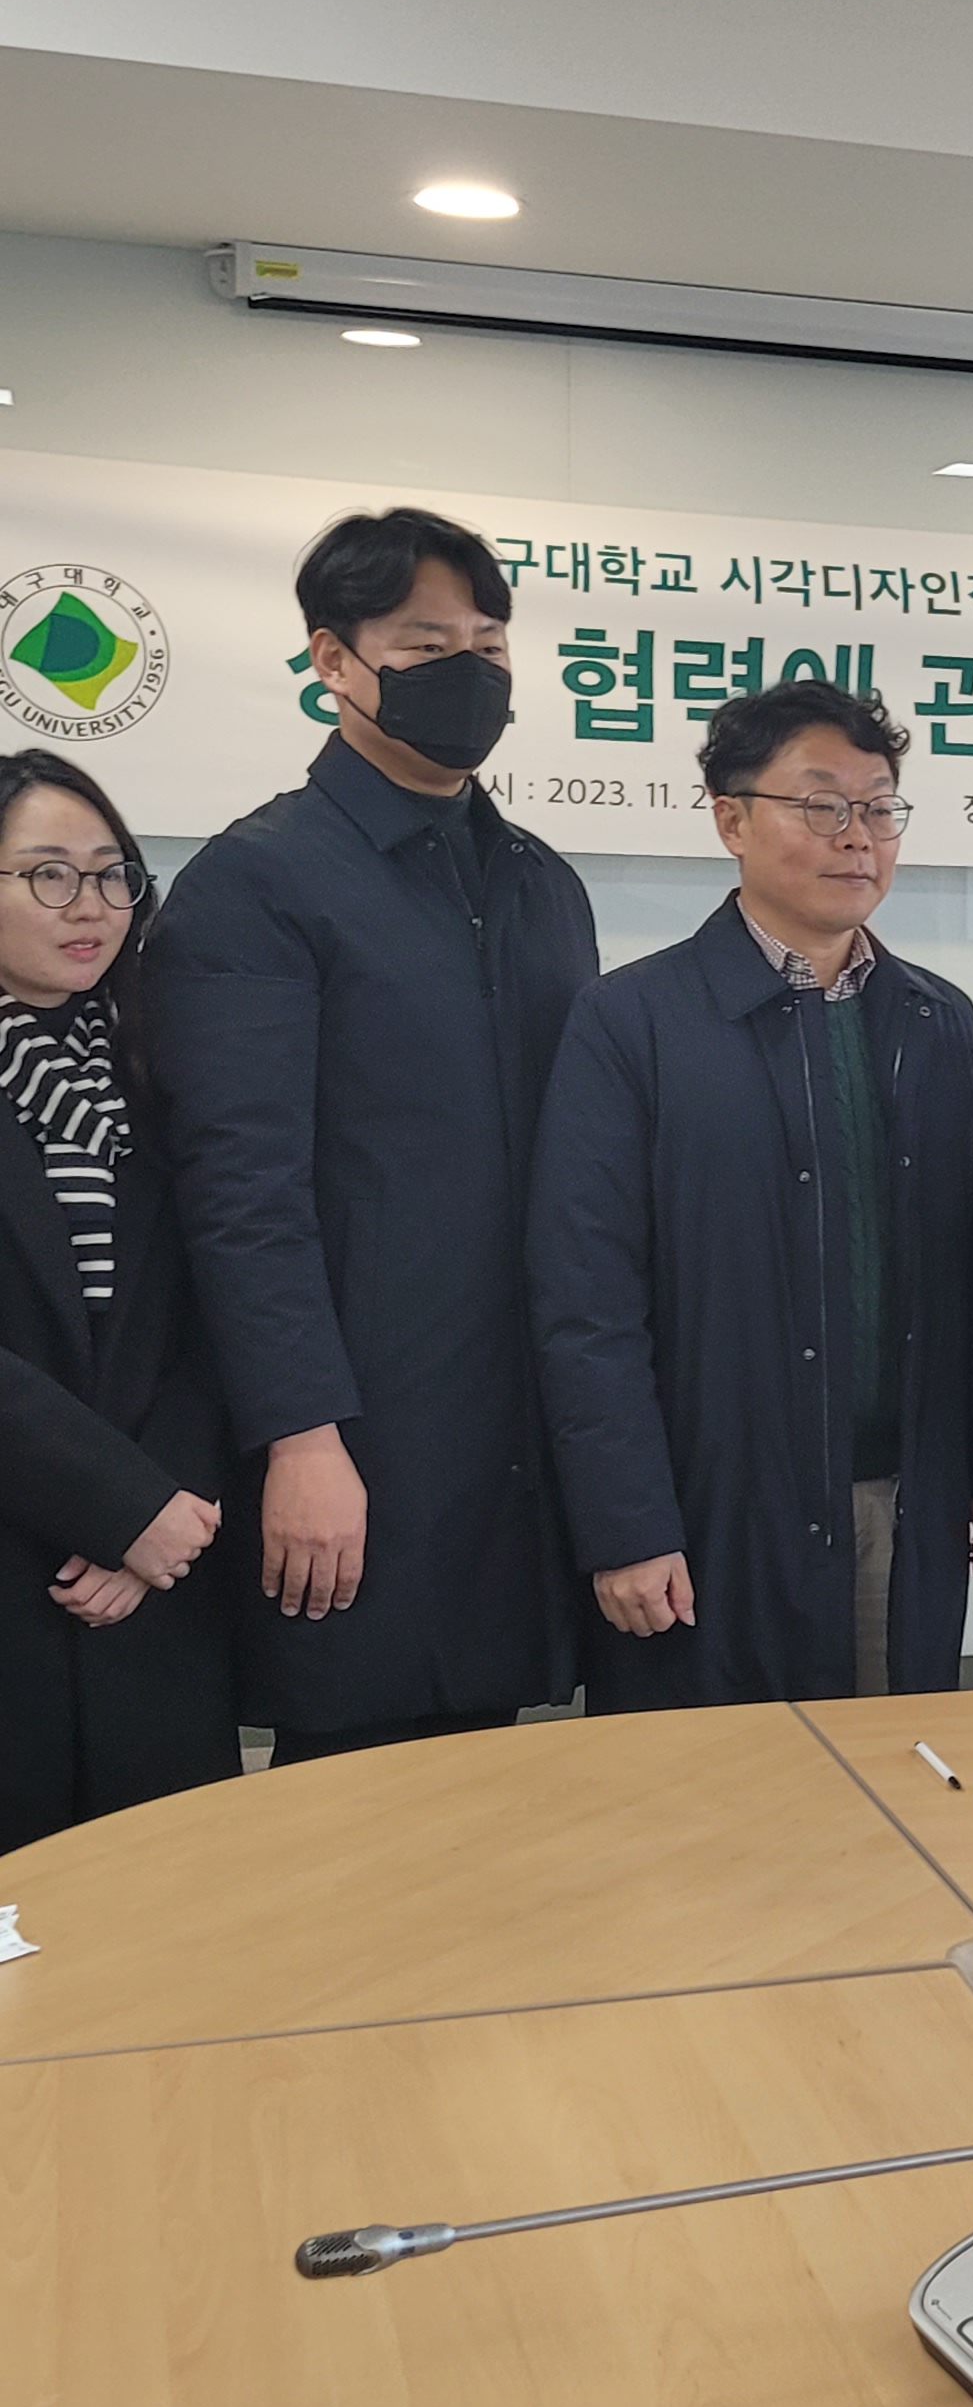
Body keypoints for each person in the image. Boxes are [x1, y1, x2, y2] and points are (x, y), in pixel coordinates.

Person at [147, 508, 598, 1763]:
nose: (472, 670)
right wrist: (300, 1437)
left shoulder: (540, 882)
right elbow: (239, 1189)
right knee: (352, 1794)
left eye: (490, 643)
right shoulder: (257, 883)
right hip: (358, 1432)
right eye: (427, 643)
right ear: (334, 661)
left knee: (495, 1782)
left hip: (520, 1424)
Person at [527, 680, 973, 1707]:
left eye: (880, 808)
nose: (858, 837)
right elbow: (585, 1301)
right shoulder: (633, 1020)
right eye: (821, 806)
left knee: (893, 1772)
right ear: (731, 819)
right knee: (710, 1788)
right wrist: (627, 1524)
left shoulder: (935, 1019)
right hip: (710, 1509)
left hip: (903, 1494)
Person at [0, 754, 234, 1851]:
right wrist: (113, 1503)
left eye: (111, 874)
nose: (88, 905)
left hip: (154, 1576)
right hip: (29, 1549)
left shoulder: (159, 1069)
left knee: (165, 1904)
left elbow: (212, 1309)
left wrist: (164, 1508)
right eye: (48, 874)